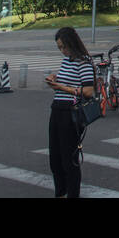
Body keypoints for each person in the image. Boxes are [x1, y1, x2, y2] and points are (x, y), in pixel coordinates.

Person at [43, 27, 96, 198]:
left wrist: (62, 88)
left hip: (71, 114)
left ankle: (73, 194)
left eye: (64, 47)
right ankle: (60, 192)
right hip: (57, 109)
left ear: (72, 43)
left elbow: (89, 91)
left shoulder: (84, 62)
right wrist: (54, 78)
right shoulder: (66, 61)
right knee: (55, 158)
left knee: (69, 160)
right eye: (59, 48)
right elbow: (65, 79)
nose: (62, 51)